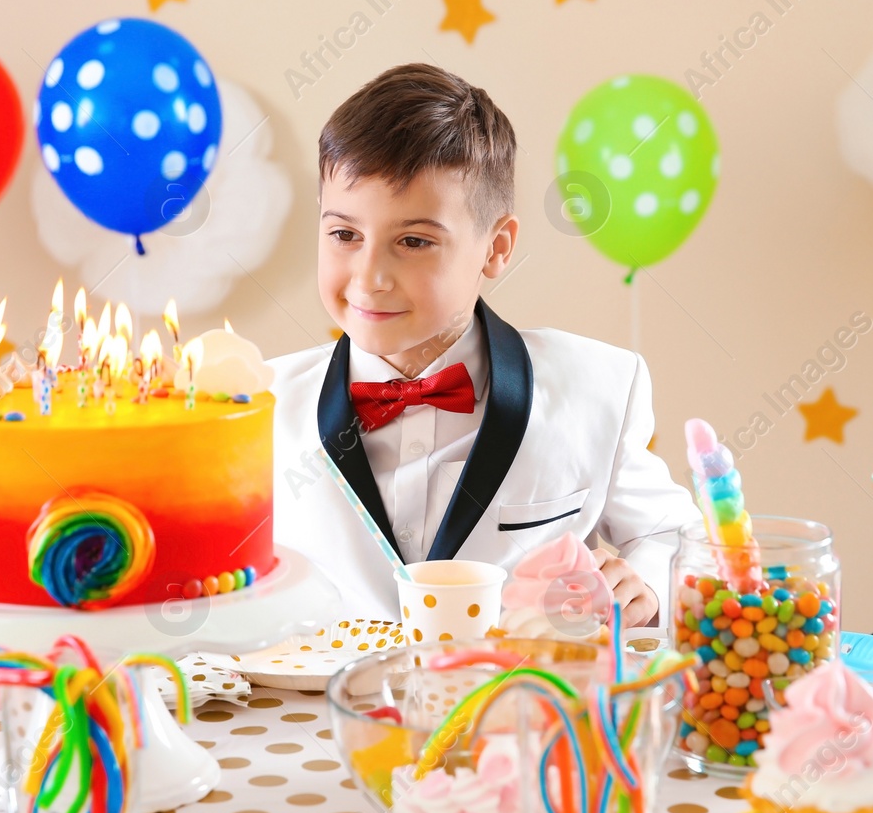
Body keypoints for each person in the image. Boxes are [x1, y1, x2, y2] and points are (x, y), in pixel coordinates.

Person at [269, 63, 698, 628]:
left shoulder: (597, 389)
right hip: (321, 713)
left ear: (496, 248)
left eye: (414, 241)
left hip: (519, 707)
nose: (370, 276)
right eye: (345, 234)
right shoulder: (256, 407)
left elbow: (681, 538)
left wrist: (646, 584)